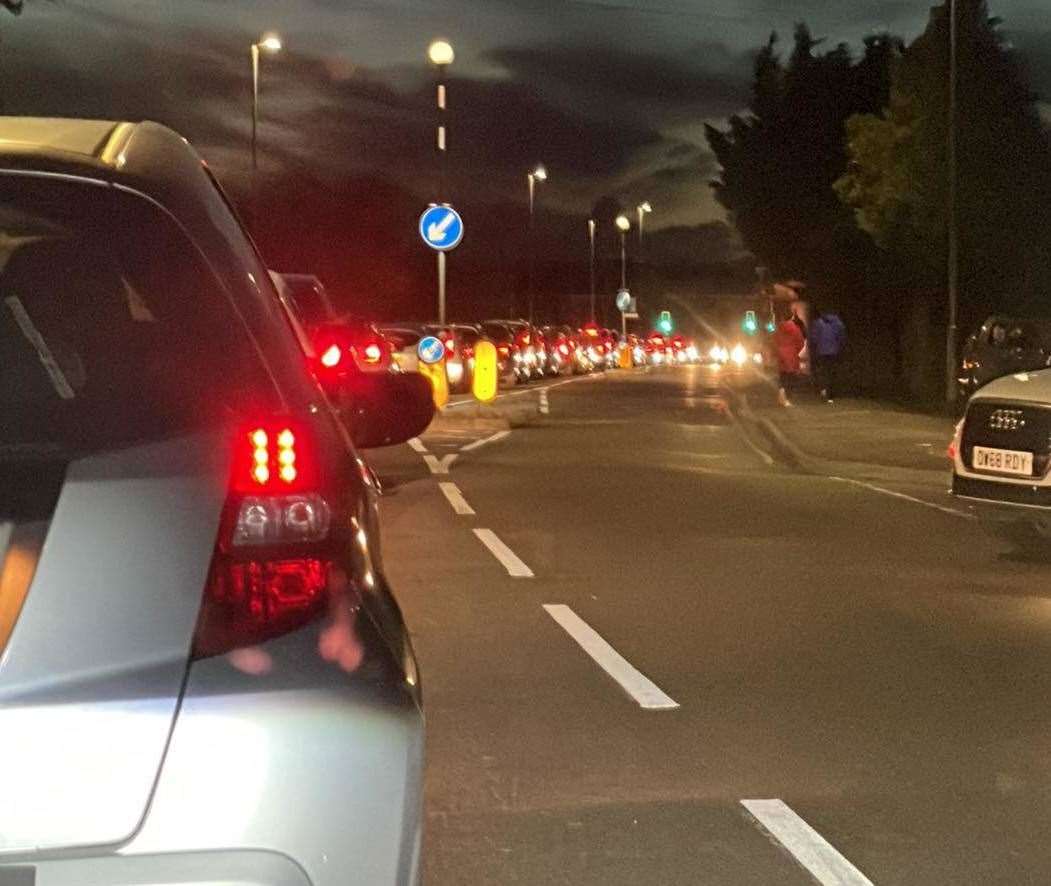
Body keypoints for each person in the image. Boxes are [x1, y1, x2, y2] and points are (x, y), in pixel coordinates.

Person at [809, 306, 847, 403]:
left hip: (821, 351)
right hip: (834, 352)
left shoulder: (818, 323)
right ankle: (831, 395)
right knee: (832, 372)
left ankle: (823, 390)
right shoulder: (839, 323)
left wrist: (815, 347)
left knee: (822, 371)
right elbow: (842, 338)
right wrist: (839, 347)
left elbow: (813, 337)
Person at [774, 306, 805, 407]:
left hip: (780, 354)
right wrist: (796, 351)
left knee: (782, 376)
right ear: (791, 317)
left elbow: (773, 341)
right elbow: (800, 342)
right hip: (791, 355)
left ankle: (781, 394)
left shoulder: (778, 328)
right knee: (790, 378)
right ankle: (786, 399)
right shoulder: (795, 329)